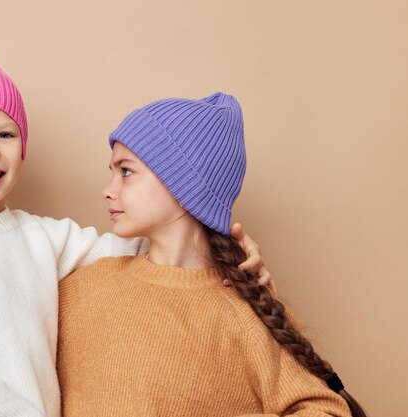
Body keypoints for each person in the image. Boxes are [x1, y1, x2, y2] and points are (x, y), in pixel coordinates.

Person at [0, 43, 268, 417]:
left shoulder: (45, 239)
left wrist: (226, 246)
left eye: (5, 134)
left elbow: (159, 243)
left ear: (23, 148)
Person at [57, 93, 367, 417]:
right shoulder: (84, 288)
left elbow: (326, 409)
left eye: (127, 171)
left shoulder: (244, 313)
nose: (108, 189)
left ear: (183, 183)